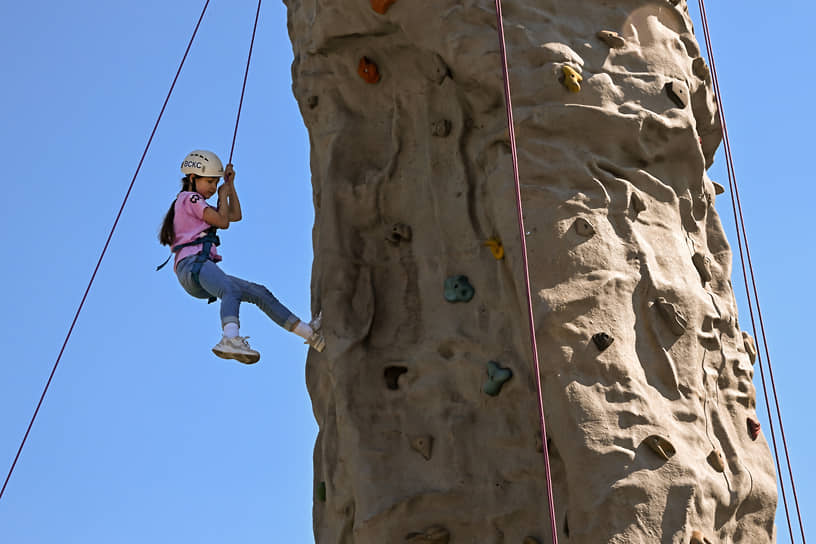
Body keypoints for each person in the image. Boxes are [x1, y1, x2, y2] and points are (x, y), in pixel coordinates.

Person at [158, 150, 325, 364]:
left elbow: (234, 216)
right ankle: (229, 338)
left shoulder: (197, 204)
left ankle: (309, 333)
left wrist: (230, 188)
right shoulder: (190, 199)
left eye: (215, 182)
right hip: (193, 266)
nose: (212, 187)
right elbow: (223, 222)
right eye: (209, 181)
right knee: (230, 289)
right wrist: (221, 195)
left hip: (198, 270)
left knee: (259, 293)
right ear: (192, 178)